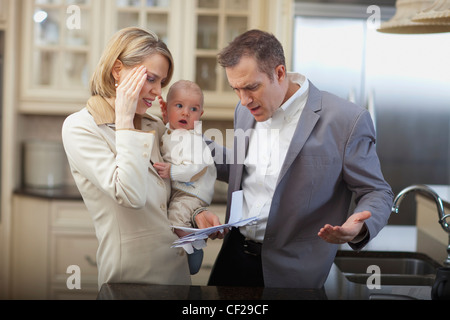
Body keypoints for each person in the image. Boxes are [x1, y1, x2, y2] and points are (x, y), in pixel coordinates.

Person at [195, 29, 394, 289]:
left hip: (292, 273)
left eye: (251, 87)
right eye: (236, 89)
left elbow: (377, 192)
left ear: (279, 73)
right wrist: (181, 137)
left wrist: (360, 226)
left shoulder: (347, 120)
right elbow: (243, 168)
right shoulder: (245, 110)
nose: (243, 100)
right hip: (233, 258)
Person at [62, 27, 191, 289]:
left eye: (161, 83)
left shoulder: (152, 126)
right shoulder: (81, 127)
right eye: (151, 78)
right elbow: (130, 194)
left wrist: (197, 212)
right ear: (118, 69)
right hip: (129, 283)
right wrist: (123, 119)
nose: (157, 93)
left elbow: (177, 186)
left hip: (177, 280)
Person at [153, 80, 217, 275]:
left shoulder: (192, 139)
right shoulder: (172, 132)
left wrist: (172, 172)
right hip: (184, 189)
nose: (185, 113)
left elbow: (198, 168)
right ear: (167, 109)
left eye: (193, 109)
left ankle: (195, 248)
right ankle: (191, 239)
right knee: (175, 219)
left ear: (200, 116)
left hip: (192, 191)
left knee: (176, 219)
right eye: (179, 106)